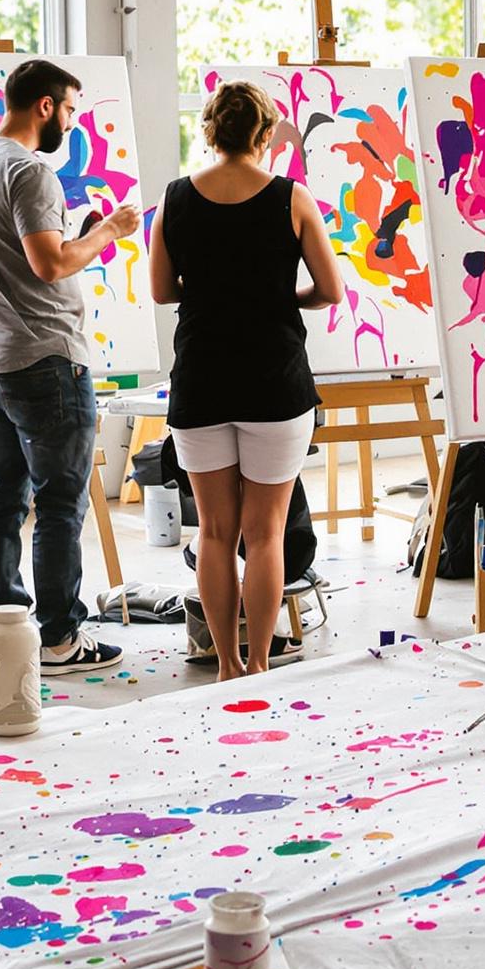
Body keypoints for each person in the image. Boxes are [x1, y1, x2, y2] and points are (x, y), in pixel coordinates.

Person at [147, 81, 343, 677]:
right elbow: (330, 290)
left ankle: (226, 661)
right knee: (265, 535)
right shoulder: (292, 197)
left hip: (202, 379)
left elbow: (161, 291)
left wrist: (213, 295)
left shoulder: (176, 199)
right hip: (275, 382)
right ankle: (259, 660)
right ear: (264, 134)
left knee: (213, 532)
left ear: (210, 131)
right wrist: (278, 298)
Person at [0, 58, 139, 674]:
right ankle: (61, 638)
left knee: (0, 500)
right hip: (43, 357)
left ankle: (1, 628)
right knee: (60, 503)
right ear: (45, 107)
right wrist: (108, 231)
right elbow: (49, 264)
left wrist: (76, 237)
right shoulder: (31, 169)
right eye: (71, 109)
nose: (72, 120)